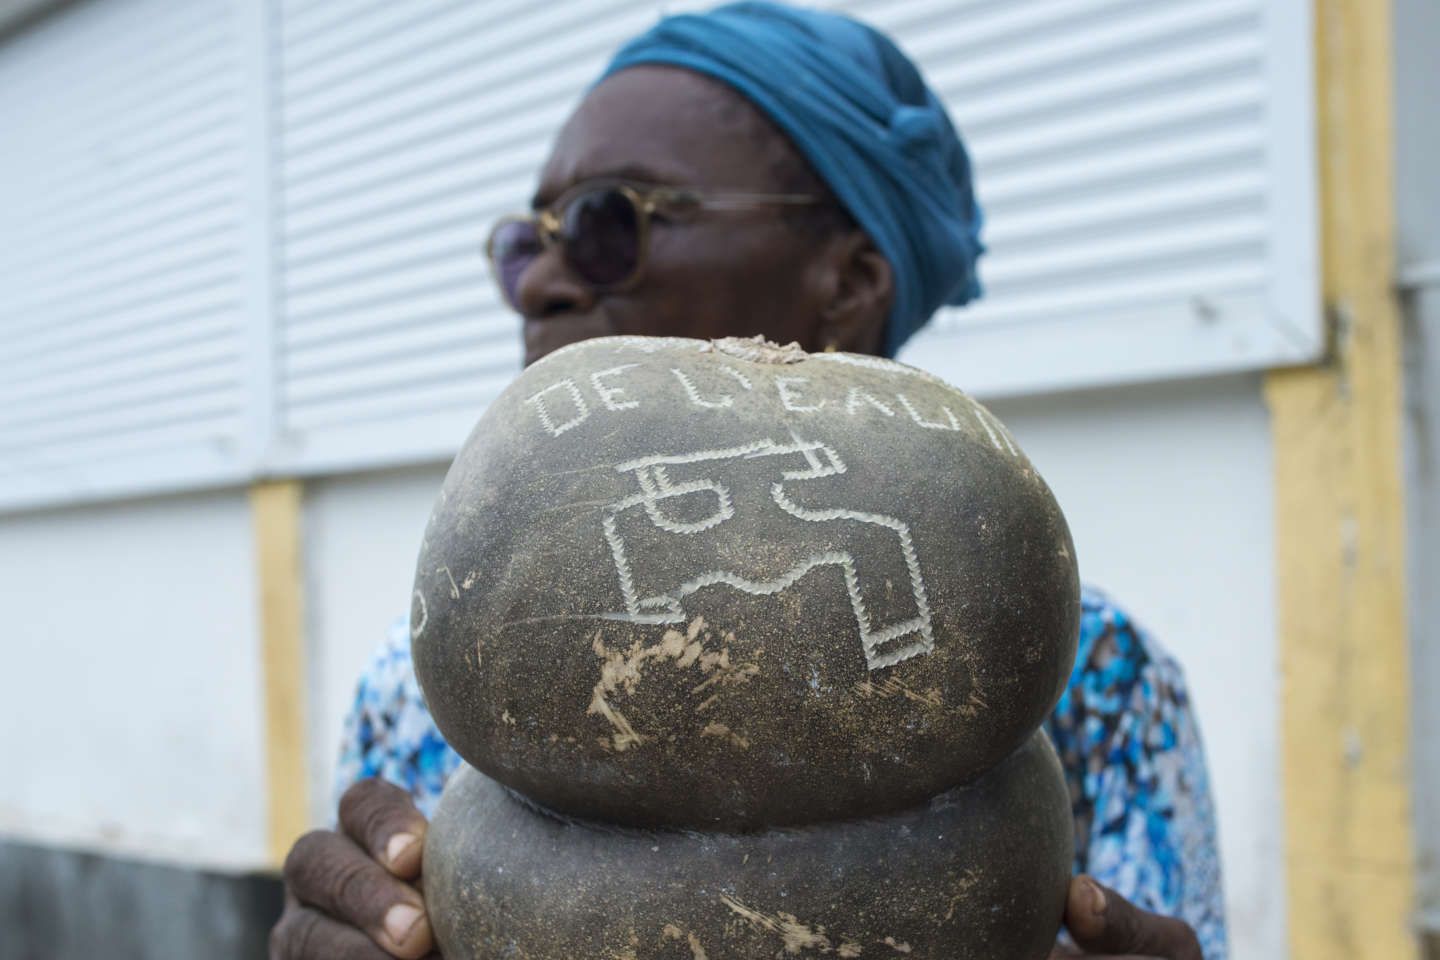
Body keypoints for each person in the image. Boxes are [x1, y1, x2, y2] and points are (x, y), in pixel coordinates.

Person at [269, 4, 1223, 959]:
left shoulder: (1098, 681)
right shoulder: (419, 675)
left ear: (847, 282)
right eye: (528, 241)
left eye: (612, 223)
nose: (539, 284)